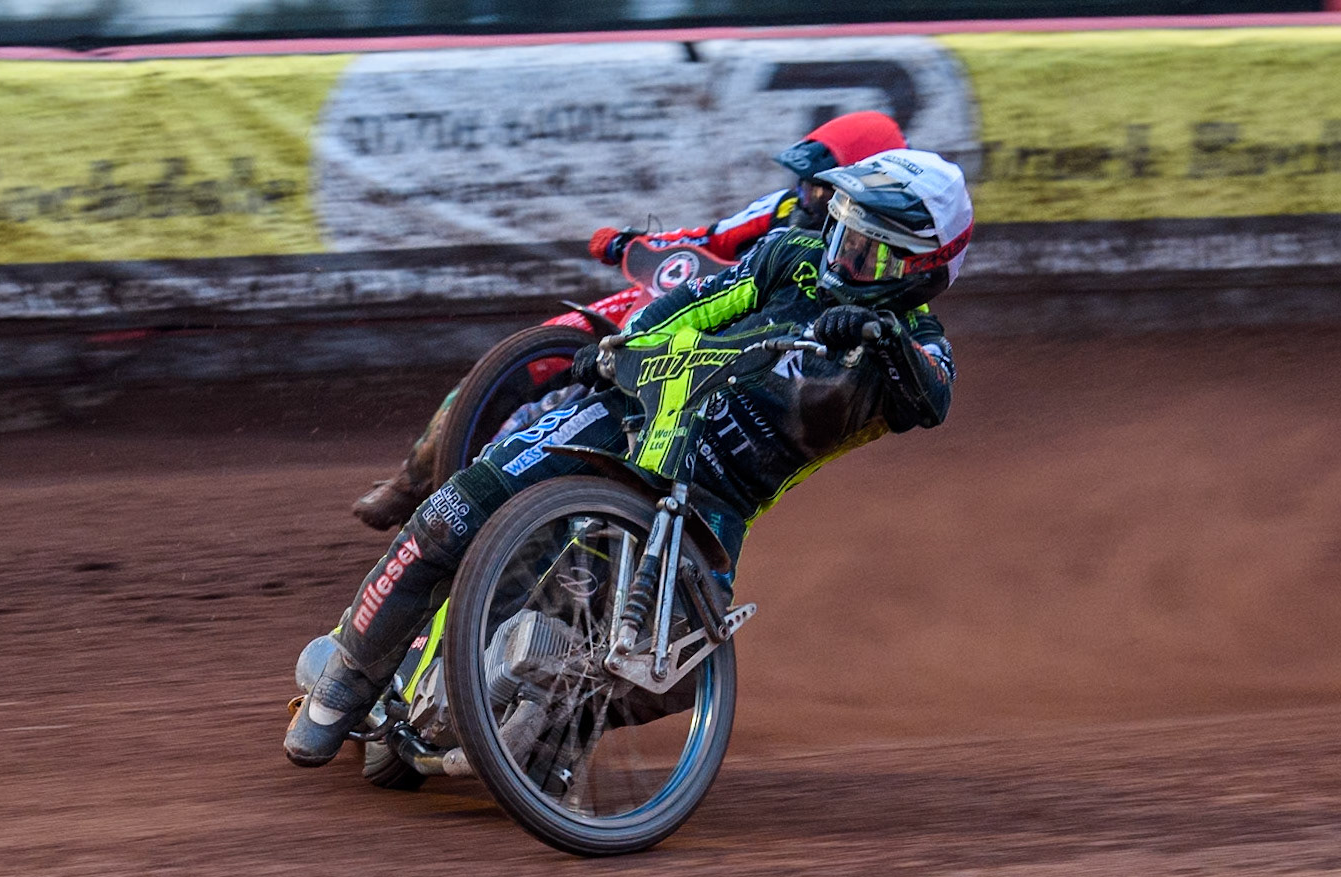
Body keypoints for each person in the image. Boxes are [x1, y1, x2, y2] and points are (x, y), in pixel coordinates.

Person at [286, 147, 974, 767]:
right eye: (845, 233)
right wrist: (620, 347)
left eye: (868, 251)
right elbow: (693, 305)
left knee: (676, 666)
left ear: (920, 271)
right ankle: (348, 674)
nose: (842, 255)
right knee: (452, 513)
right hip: (627, 418)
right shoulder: (789, 255)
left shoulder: (917, 344)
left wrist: (881, 336)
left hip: (715, 500)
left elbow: (931, 397)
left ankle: (551, 744)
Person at [350, 110, 908, 531]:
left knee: (612, 419)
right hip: (688, 300)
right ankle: (412, 481)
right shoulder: (782, 208)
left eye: (819, 184)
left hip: (732, 350)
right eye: (806, 182)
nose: (807, 195)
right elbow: (710, 239)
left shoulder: (872, 261)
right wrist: (634, 243)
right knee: (532, 351)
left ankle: (553, 516)